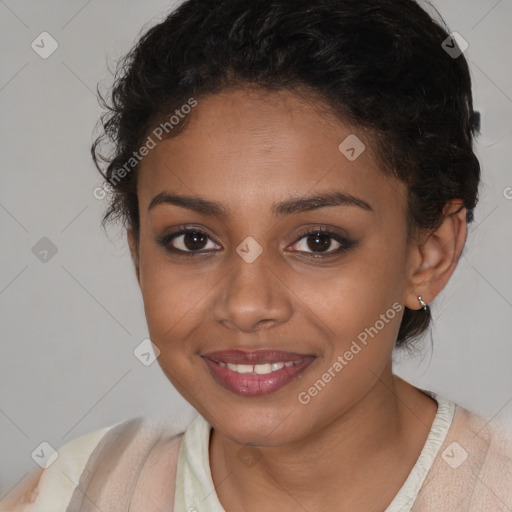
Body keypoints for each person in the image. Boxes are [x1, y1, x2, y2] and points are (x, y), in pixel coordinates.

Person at [2, 0, 511, 510]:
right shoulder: (72, 494)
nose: (246, 306)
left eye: (318, 241)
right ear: (139, 257)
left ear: (429, 254)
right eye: (192, 240)